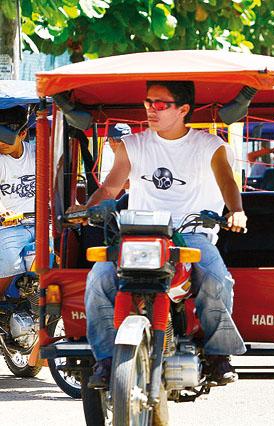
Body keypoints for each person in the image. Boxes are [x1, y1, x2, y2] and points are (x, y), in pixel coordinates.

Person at [67, 80, 248, 389]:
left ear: (183, 109)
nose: (151, 109)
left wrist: (237, 210)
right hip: (137, 234)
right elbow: (110, 188)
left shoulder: (211, 146)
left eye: (160, 104)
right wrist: (86, 209)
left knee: (216, 279)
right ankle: (107, 360)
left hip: (190, 233)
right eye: (148, 103)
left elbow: (227, 183)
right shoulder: (132, 145)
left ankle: (218, 354)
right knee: (98, 279)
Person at [0, 106, 36, 297]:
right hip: (9, 227)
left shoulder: (38, 154)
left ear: (23, 134)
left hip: (43, 225)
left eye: (5, 138)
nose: (1, 143)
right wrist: (3, 211)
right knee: (7, 262)